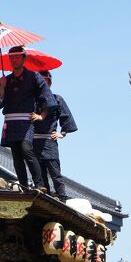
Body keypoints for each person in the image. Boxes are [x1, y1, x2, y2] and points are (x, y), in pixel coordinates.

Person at [0, 46, 57, 191]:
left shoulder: (34, 77)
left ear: (24, 58)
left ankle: (39, 184)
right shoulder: (6, 79)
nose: (14, 60)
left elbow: (47, 97)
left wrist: (42, 115)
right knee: (16, 155)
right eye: (12, 58)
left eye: (17, 57)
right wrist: (2, 87)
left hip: (26, 120)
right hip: (10, 121)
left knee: (26, 149)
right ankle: (23, 185)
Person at [33, 71, 77, 201]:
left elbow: (66, 118)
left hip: (49, 140)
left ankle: (62, 197)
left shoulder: (57, 99)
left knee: (55, 172)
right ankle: (45, 197)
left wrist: (62, 133)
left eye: (45, 80)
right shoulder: (32, 100)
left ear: (50, 83)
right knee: (39, 173)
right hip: (34, 140)